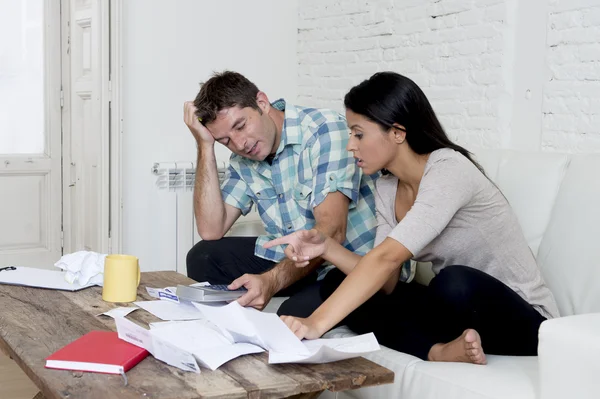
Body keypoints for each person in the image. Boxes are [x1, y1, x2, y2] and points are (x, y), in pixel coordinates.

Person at [264, 71, 560, 364]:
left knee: (454, 282)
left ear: (397, 132)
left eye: (358, 133)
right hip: (455, 312)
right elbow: (385, 283)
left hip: (524, 319)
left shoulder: (448, 170)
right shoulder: (387, 186)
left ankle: (434, 340)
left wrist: (316, 323)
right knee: (337, 281)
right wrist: (326, 247)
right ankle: (437, 350)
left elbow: (387, 259)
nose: (350, 145)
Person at [184, 71, 377, 317]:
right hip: (296, 260)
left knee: (292, 313)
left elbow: (331, 231)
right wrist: (205, 145)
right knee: (203, 256)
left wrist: (273, 281)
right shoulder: (243, 159)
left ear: (262, 103)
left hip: (343, 263)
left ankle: (292, 296)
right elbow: (211, 229)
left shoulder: (324, 131)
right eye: (225, 140)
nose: (240, 144)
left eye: (241, 126)